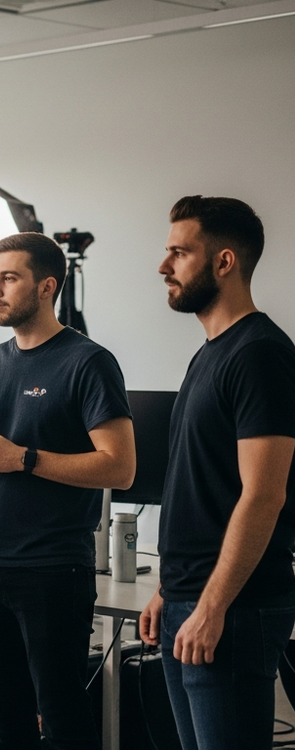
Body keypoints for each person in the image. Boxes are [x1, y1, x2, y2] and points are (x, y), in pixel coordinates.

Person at [0, 233, 135, 750]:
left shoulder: (88, 362)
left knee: (64, 720)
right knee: (7, 719)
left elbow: (120, 468)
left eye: (9, 278)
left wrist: (22, 457)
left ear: (46, 286)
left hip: (52, 570)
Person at [138, 196, 295, 750]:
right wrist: (168, 588)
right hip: (191, 596)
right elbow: (204, 486)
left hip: (233, 607)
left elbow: (263, 496)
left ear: (224, 262)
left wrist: (211, 605)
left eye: (179, 253)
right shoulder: (211, 353)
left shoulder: (260, 355)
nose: (164, 266)